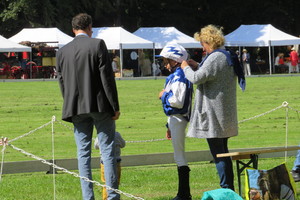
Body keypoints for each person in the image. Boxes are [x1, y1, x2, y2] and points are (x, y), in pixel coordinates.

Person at [56, 13, 120, 200]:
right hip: (100, 105)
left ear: (73, 29)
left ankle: (87, 197)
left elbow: (61, 82)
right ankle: (112, 196)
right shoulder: (97, 44)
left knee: (82, 154)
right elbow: (107, 79)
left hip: (75, 107)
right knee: (107, 151)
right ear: (89, 27)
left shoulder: (62, 51)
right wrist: (114, 105)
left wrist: (69, 102)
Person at [181, 25, 240, 191]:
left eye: (202, 43)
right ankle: (229, 188)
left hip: (214, 113)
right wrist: (199, 64)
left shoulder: (215, 58)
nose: (202, 47)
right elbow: (213, 75)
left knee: (219, 154)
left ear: (209, 41)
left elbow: (196, 78)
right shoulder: (225, 54)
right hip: (224, 113)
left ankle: (225, 188)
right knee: (224, 152)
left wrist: (185, 67)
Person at [158, 43, 193, 200]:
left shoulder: (179, 76)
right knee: (178, 155)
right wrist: (168, 124)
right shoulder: (177, 75)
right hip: (175, 118)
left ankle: (184, 194)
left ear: (175, 60)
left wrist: (164, 95)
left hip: (179, 117)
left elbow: (177, 102)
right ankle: (183, 193)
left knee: (179, 156)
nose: (165, 65)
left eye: (167, 61)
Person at [94, 132, 126, 200]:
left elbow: (96, 146)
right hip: (116, 161)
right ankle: (114, 196)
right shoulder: (117, 134)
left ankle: (106, 198)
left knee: (105, 182)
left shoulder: (100, 135)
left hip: (104, 163)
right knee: (116, 182)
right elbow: (123, 144)